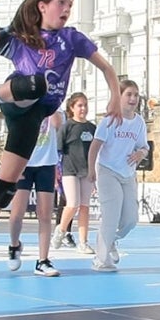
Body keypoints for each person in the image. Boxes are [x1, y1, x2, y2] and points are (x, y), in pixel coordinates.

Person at [0, 0, 121, 283]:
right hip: (17, 100)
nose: (66, 10)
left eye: (70, 5)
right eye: (61, 2)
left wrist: (115, 96)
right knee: (36, 83)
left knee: (5, 185)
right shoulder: (21, 38)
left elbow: (106, 68)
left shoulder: (71, 39)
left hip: (36, 116)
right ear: (42, 5)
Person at [88, 79, 149, 272]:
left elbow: (144, 147)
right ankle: (102, 260)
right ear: (119, 97)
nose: (133, 99)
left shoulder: (139, 122)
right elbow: (95, 146)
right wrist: (91, 170)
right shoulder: (110, 120)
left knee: (130, 219)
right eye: (129, 94)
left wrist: (141, 153)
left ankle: (112, 240)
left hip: (128, 173)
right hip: (107, 171)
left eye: (136, 95)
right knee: (111, 216)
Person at [5, 110, 63, 277]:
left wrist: (51, 106)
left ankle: (43, 260)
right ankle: (14, 245)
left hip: (46, 164)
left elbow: (57, 124)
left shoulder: (53, 107)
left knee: (45, 214)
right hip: (24, 162)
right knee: (17, 213)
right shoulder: (23, 106)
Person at [54, 91, 95, 254]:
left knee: (85, 207)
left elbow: (96, 151)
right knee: (72, 204)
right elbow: (58, 151)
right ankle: (61, 230)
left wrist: (94, 171)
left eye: (85, 105)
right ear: (72, 108)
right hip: (69, 171)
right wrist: (57, 174)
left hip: (87, 171)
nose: (83, 108)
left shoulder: (92, 128)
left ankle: (83, 242)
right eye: (79, 105)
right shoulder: (67, 127)